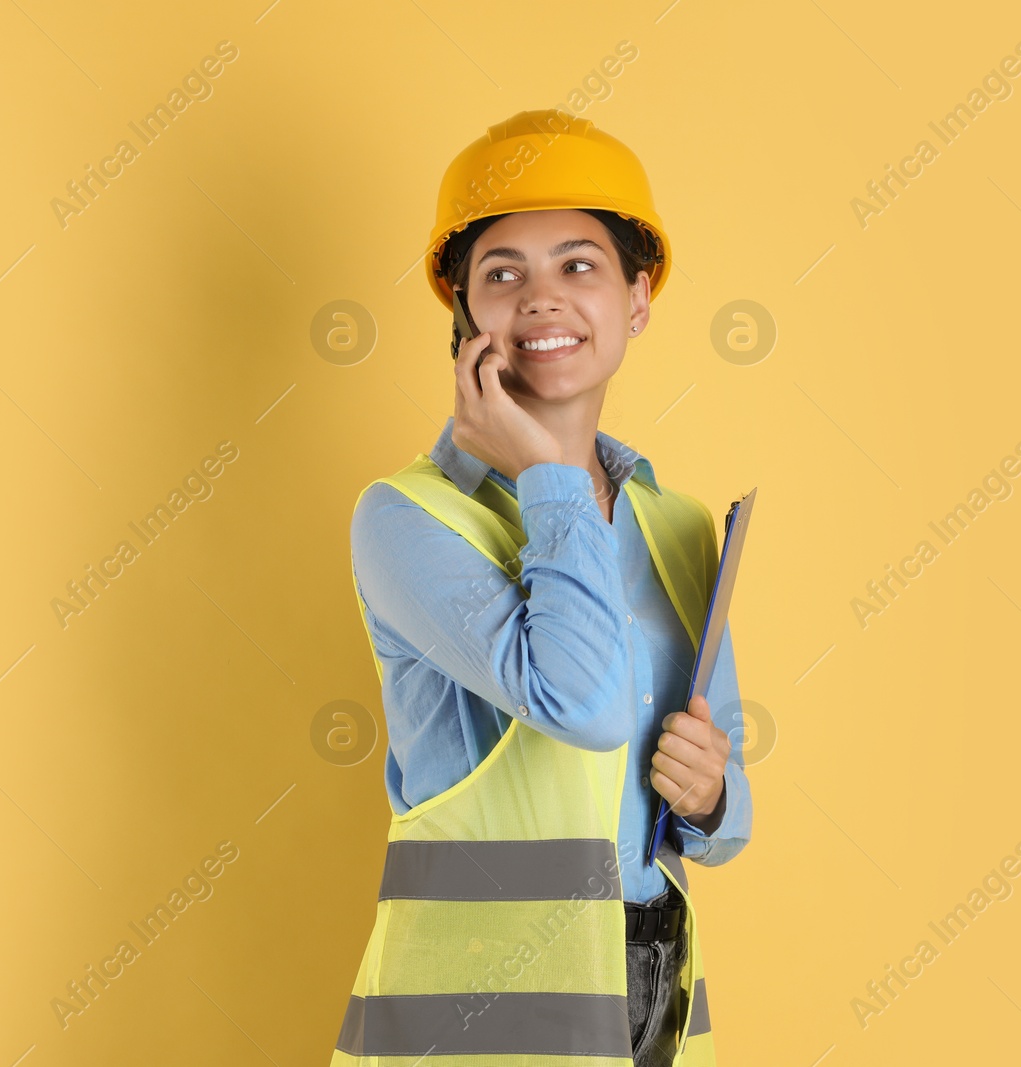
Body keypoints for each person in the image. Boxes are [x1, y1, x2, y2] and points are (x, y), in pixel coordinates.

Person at [333, 110, 752, 1067]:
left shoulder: (676, 525)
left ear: (637, 299)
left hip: (652, 993)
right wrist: (545, 471)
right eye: (503, 273)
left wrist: (712, 796)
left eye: (579, 265)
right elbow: (587, 704)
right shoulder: (406, 521)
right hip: (481, 1013)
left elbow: (725, 828)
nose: (541, 298)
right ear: (465, 317)